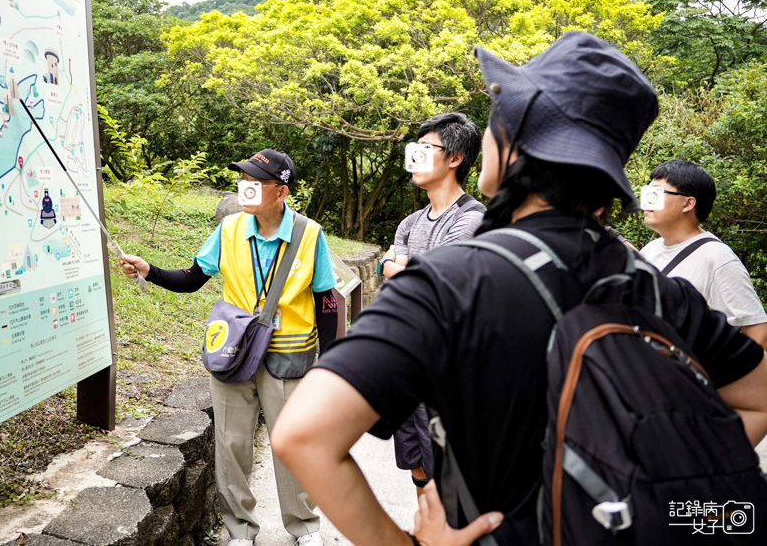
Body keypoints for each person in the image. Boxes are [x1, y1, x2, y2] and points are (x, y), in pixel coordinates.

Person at [269, 32, 767, 545]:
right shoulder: (655, 287)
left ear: (515, 145)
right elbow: (758, 401)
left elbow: (303, 435)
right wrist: (649, 493)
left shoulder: (448, 284)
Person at [119, 149, 337, 546]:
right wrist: (149, 271)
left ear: (280, 192)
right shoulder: (230, 229)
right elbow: (191, 278)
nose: (245, 188)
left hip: (289, 357)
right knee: (232, 444)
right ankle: (240, 529)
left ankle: (305, 527)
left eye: (255, 182)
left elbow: (326, 299)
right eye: (243, 181)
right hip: (235, 353)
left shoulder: (310, 234)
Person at [377, 112, 484, 496]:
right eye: (415, 148)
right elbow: (404, 274)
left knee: (450, 468)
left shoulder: (472, 220)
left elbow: (428, 279)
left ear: (455, 158)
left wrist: (391, 265)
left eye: (426, 149)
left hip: (448, 369)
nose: (416, 156)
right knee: (416, 462)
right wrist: (394, 266)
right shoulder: (409, 222)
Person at [641, 159, 767, 348]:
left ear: (688, 204)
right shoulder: (650, 250)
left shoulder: (718, 259)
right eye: (647, 192)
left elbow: (759, 332)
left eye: (656, 193)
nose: (646, 201)